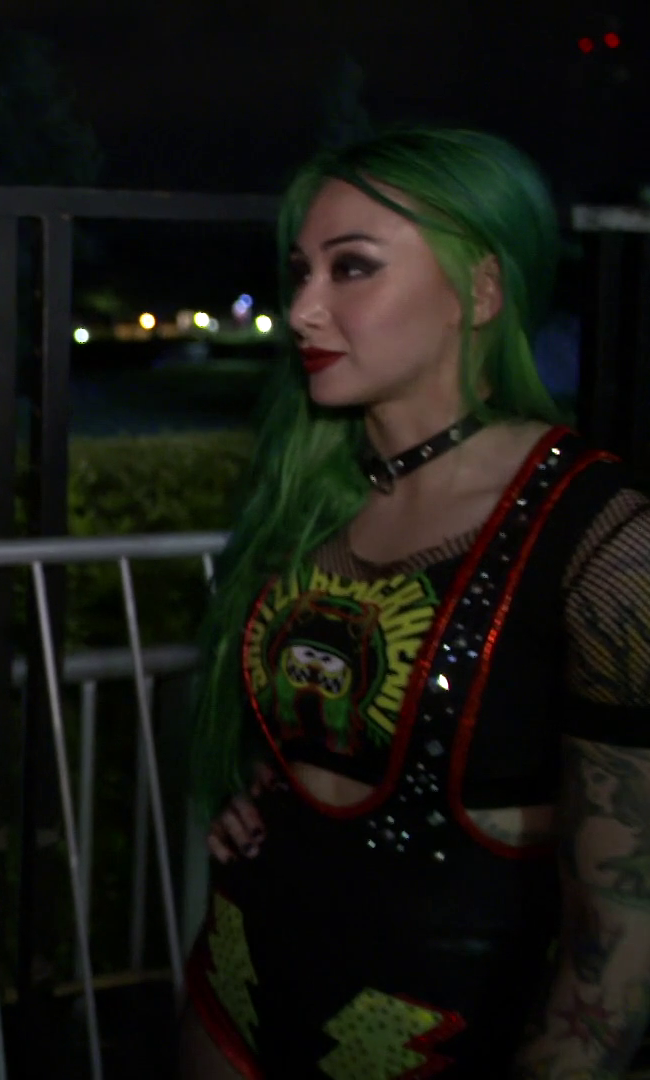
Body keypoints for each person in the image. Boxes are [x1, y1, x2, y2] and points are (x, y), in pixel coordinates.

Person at [179, 126, 650, 1077]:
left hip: (446, 1034)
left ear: (481, 290)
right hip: (234, 993)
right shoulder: (310, 496)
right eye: (300, 271)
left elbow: (623, 932)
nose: (303, 309)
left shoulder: (601, 539)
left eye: (352, 268)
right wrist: (268, 781)